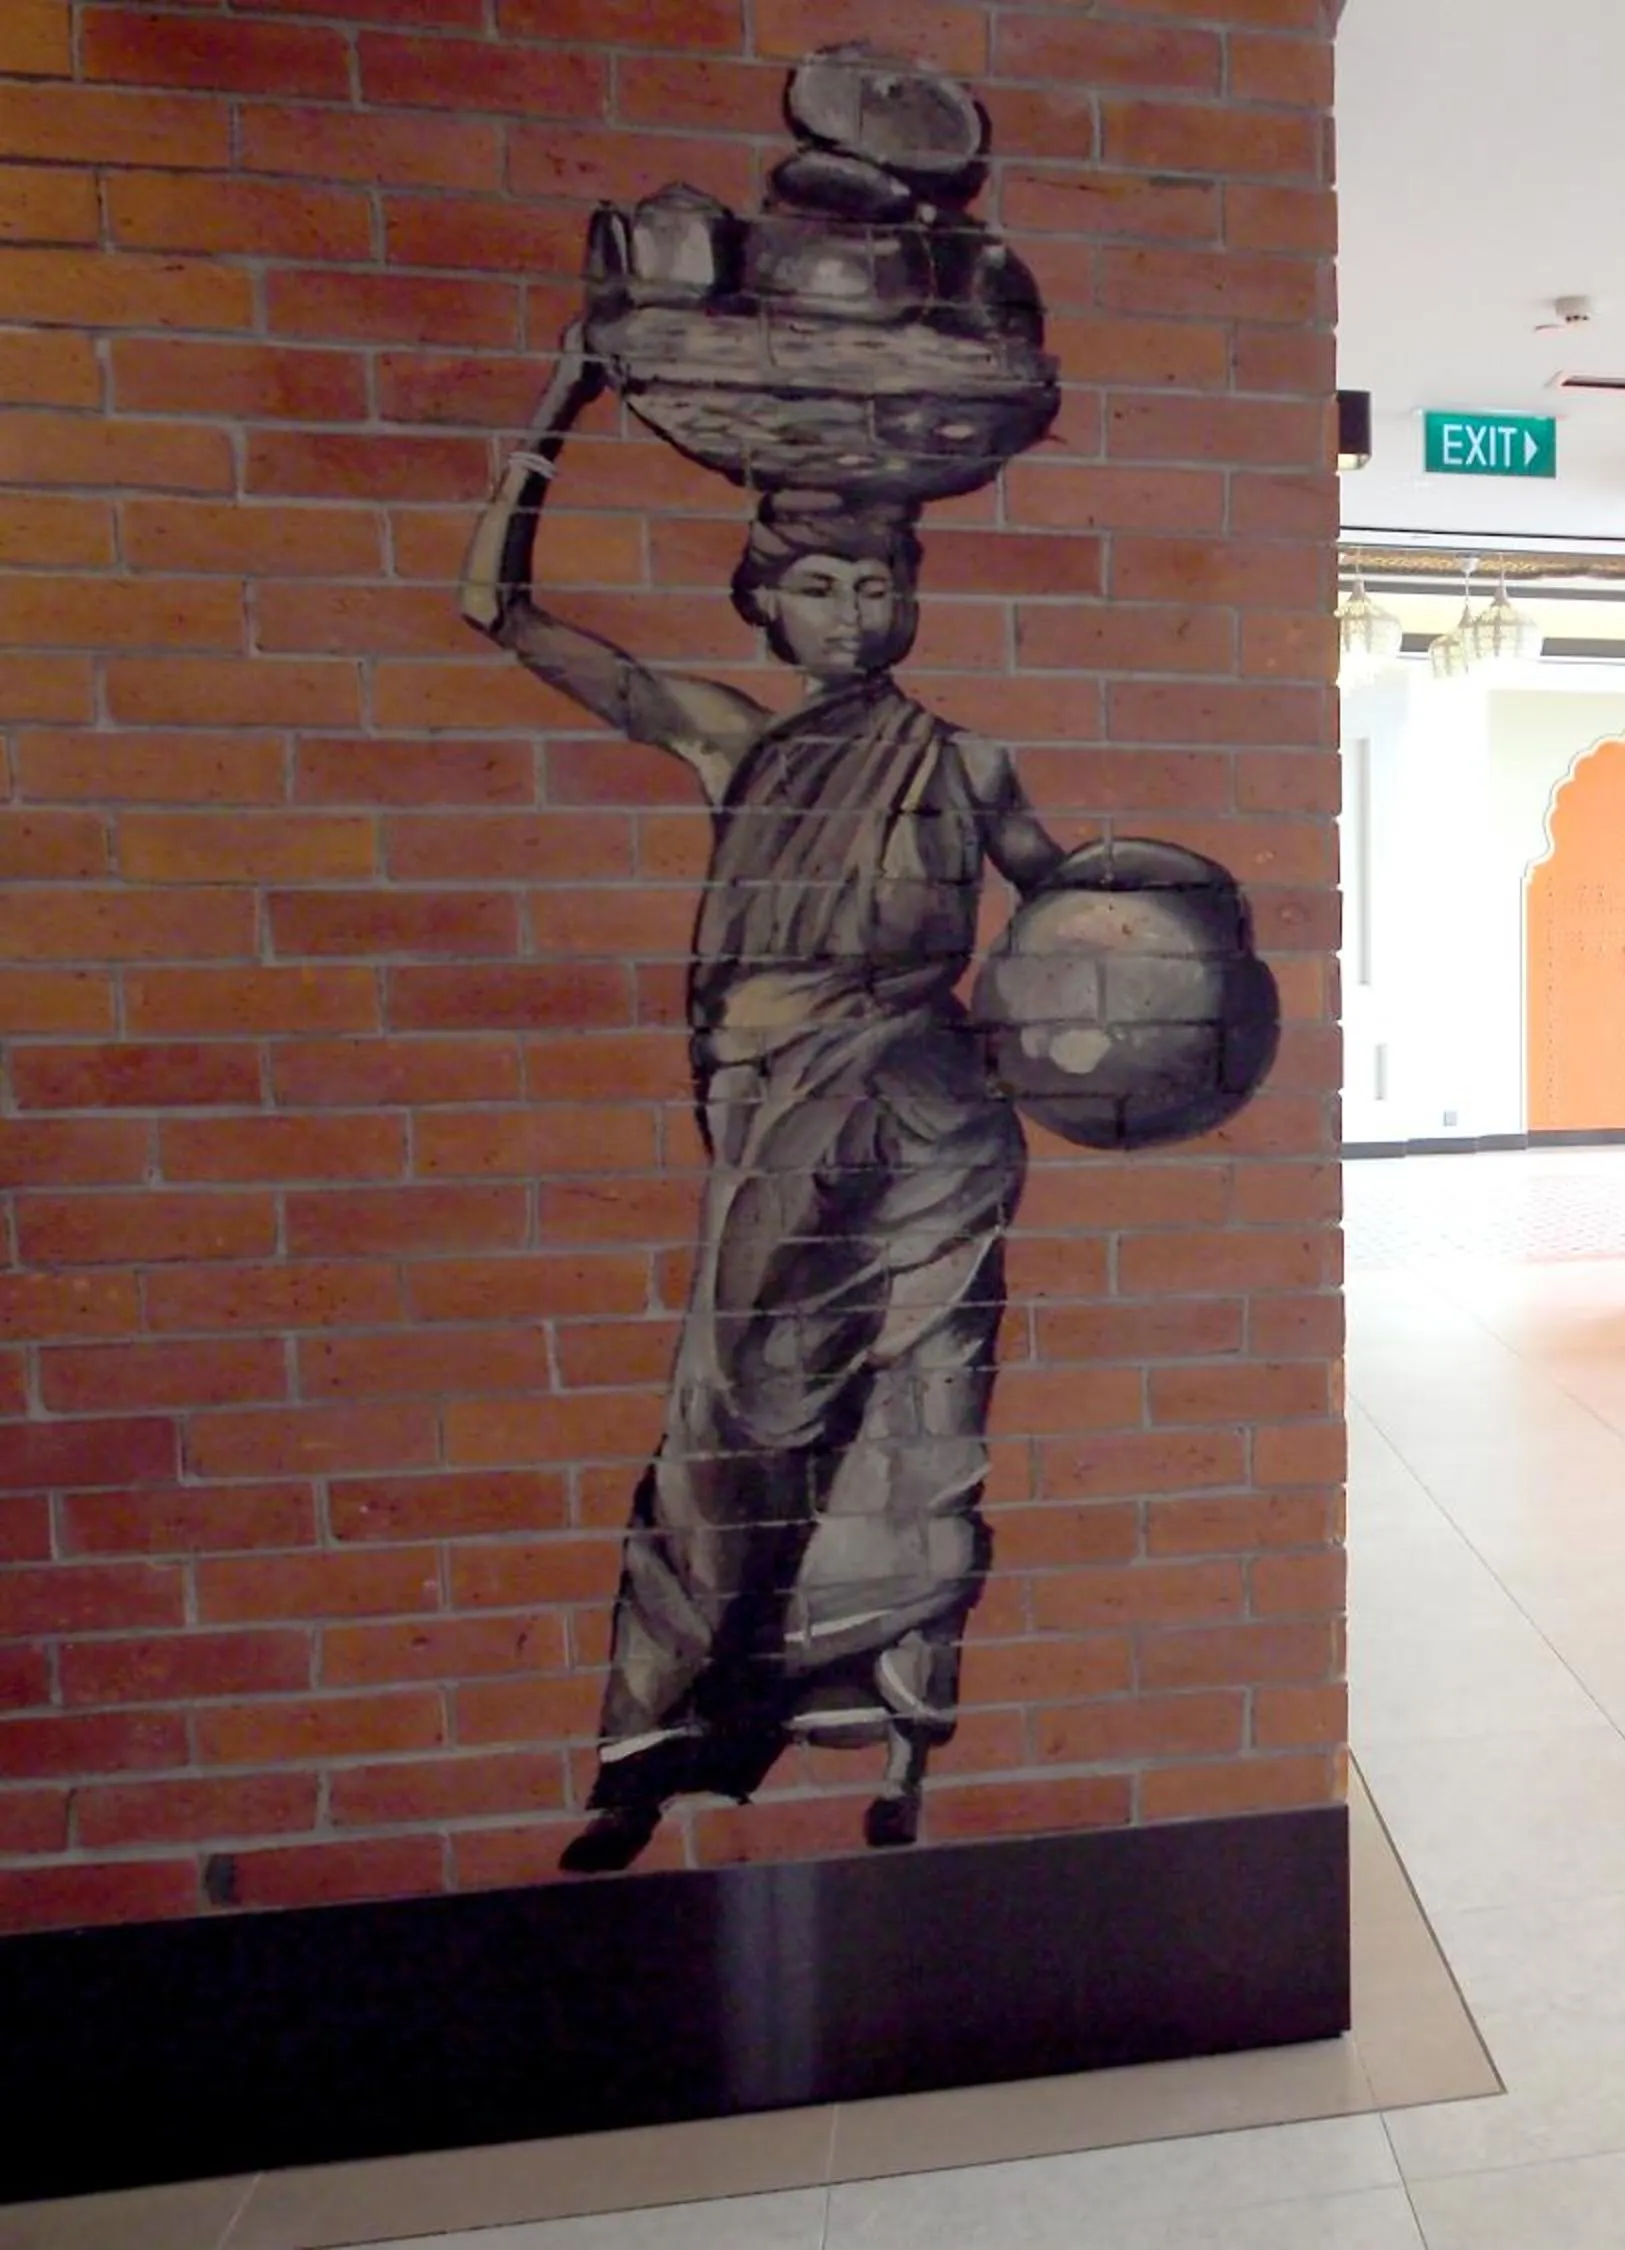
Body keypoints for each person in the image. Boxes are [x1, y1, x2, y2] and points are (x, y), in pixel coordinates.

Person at [459, 326, 1065, 1872]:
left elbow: (1088, 933)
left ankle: (905, 1741)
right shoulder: (730, 734)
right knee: (730, 1405)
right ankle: (662, 1742)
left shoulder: (964, 760)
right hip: (778, 1112)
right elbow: (497, 607)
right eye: (818, 587)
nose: (851, 614)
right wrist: (563, 393)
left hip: (931, 1114)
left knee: (928, 1413)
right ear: (765, 598)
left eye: (875, 588)